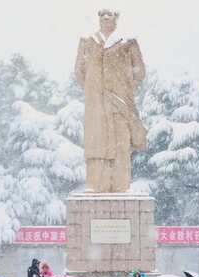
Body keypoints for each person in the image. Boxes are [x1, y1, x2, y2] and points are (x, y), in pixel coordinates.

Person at [74, 8, 147, 193]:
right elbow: (79, 71)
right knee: (97, 144)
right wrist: (94, 90)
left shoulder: (128, 42)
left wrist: (125, 88)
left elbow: (139, 70)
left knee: (121, 144)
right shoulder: (88, 42)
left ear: (116, 18)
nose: (106, 18)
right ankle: (97, 185)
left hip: (120, 102)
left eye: (110, 14)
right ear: (98, 18)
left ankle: (120, 185)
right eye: (103, 15)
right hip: (96, 104)